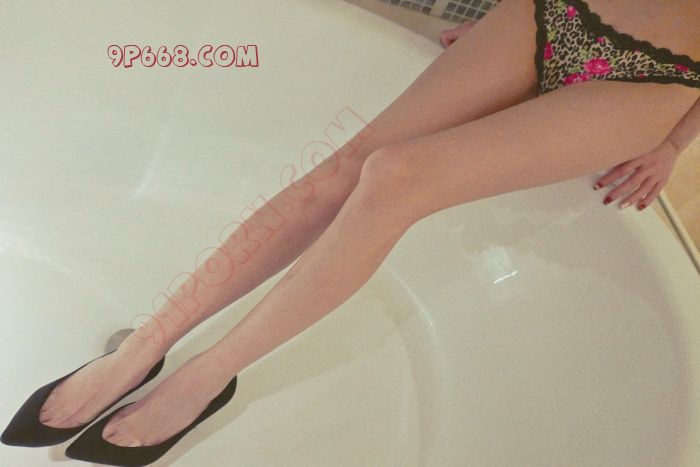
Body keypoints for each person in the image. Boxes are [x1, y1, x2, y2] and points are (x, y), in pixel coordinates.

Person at [4, 0, 700, 464]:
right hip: (553, 10)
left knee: (395, 176)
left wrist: (674, 142)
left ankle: (204, 378)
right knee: (344, 168)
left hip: (658, 75)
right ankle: (145, 346)